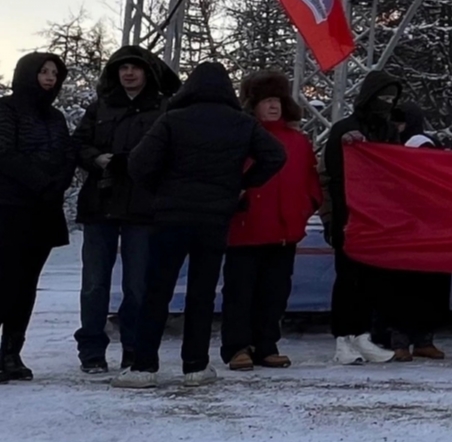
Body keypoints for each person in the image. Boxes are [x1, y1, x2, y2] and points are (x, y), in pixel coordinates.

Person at [114, 62, 286, 389]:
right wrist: (241, 184)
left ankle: (143, 367)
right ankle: (195, 365)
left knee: (156, 291)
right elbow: (276, 156)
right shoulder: (242, 123)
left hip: (170, 216)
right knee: (202, 293)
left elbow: (138, 163)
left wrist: (160, 190)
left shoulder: (172, 120)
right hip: (215, 218)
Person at [71, 45, 174, 374]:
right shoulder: (100, 106)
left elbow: (171, 152)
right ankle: (91, 351)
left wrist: (141, 165)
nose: (129, 73)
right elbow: (77, 144)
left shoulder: (162, 108)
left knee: (137, 285)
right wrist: (95, 159)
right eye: (122, 68)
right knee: (94, 283)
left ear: (147, 72)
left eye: (135, 67)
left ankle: (134, 348)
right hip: (100, 203)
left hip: (143, 206)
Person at [220, 71, 322, 371]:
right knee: (240, 292)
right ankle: (237, 346)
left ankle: (266, 345)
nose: (273, 106)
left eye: (277, 100)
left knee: (275, 292)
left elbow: (311, 180)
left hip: (284, 229)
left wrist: (307, 206)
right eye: (266, 101)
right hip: (245, 228)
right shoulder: (239, 136)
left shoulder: (298, 141)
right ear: (253, 105)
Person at [320, 70, 404, 366]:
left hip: (378, 216)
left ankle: (363, 335)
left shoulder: (390, 132)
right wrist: (331, 218)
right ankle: (343, 338)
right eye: (383, 96)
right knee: (348, 278)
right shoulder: (344, 128)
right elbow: (330, 172)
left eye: (393, 97)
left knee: (371, 278)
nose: (388, 102)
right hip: (348, 213)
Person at [0, 52, 74, 383]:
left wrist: (57, 184)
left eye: (54, 73)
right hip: (9, 207)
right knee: (5, 280)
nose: (49, 78)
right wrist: (40, 182)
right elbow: (4, 153)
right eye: (43, 71)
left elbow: (65, 155)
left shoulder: (56, 117)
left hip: (43, 211)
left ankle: (12, 353)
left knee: (27, 283)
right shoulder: (7, 108)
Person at [376, 102, 451, 362]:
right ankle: (399, 341)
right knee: (400, 287)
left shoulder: (425, 144)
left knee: (427, 287)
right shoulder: (386, 147)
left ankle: (423, 339)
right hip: (401, 227)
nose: (397, 128)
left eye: (401, 122)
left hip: (428, 227)